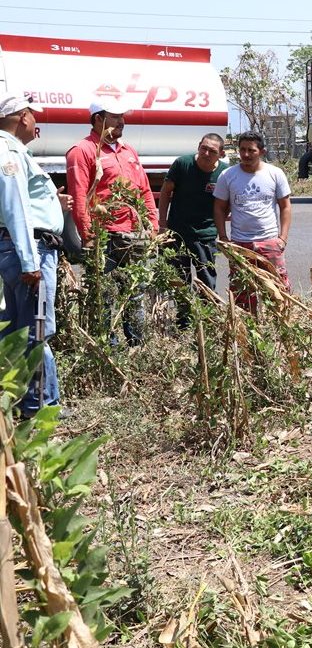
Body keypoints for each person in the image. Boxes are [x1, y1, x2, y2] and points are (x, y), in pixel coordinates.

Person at [65, 98, 159, 345]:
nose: (122, 122)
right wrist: (88, 234)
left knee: (134, 292)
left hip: (133, 235)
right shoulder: (82, 151)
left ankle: (137, 348)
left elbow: (144, 190)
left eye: (122, 117)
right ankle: (109, 349)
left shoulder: (128, 151)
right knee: (104, 295)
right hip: (105, 236)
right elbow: (79, 196)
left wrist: (151, 222)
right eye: (116, 117)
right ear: (98, 118)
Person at [0, 91, 71, 416]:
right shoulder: (9, 150)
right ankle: (37, 408)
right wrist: (31, 263)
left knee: (26, 328)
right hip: (31, 251)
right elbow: (17, 210)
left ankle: (35, 402)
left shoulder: (13, 150)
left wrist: (51, 204)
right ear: (22, 116)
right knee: (35, 330)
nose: (37, 122)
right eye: (34, 115)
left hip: (26, 249)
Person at [213, 132, 292, 309]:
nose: (246, 154)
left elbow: (285, 206)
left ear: (262, 151)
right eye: (242, 150)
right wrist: (224, 238)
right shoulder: (227, 175)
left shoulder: (275, 174)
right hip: (240, 245)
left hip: (270, 243)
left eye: (251, 150)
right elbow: (218, 208)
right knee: (242, 294)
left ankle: (279, 331)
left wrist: (282, 238)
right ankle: (247, 332)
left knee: (278, 292)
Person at [160, 134, 227, 327]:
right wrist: (162, 225)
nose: (206, 153)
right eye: (203, 148)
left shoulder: (224, 173)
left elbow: (225, 204)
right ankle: (184, 322)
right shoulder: (182, 164)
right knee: (179, 280)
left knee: (207, 280)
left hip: (205, 235)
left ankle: (206, 321)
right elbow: (165, 192)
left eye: (212, 151)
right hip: (177, 233)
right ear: (198, 146)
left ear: (220, 154)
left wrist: (221, 233)